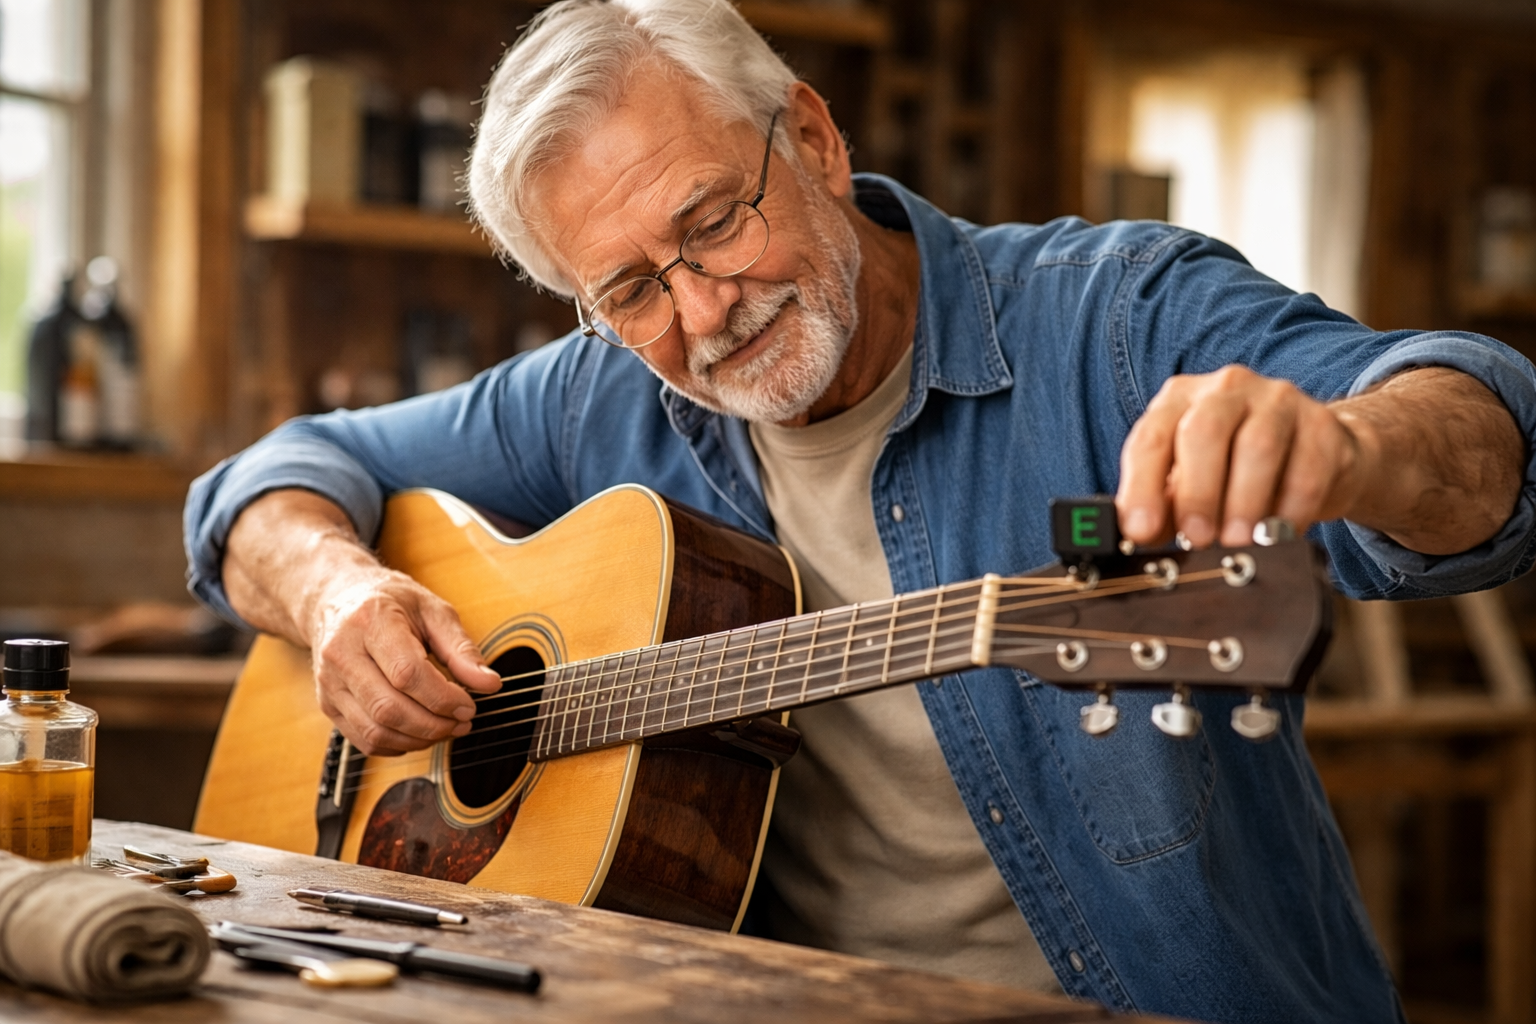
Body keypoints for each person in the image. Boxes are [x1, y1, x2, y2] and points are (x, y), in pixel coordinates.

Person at [185, 1, 1534, 1020]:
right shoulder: (596, 396)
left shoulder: (1111, 317)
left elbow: (1486, 434)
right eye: (631, 292)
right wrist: (335, 590)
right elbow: (271, 477)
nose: (702, 311)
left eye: (712, 221)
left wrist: (1348, 443)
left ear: (815, 139)